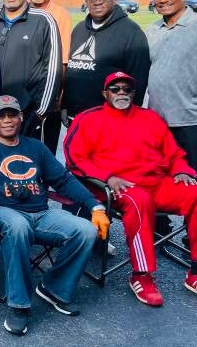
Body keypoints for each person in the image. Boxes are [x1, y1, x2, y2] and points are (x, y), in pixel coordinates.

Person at [0, 95, 107, 336]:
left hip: (41, 213)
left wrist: (95, 206)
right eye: (1, 115)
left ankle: (54, 288)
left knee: (85, 230)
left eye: (12, 114)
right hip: (3, 212)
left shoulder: (36, 147)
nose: (7, 120)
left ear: (21, 117)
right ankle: (19, 306)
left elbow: (63, 180)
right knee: (18, 227)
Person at [65, 71, 197, 307]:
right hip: (117, 187)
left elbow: (174, 153)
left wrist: (181, 169)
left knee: (194, 193)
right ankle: (141, 275)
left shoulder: (150, 118)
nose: (121, 93)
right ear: (105, 93)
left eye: (127, 89)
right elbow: (74, 159)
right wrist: (107, 177)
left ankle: (194, 272)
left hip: (156, 183)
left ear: (134, 93)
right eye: (115, 89)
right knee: (139, 201)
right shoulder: (88, 118)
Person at [0, 0, 61, 144]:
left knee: (24, 157)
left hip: (26, 111)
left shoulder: (43, 20)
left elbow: (52, 68)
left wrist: (41, 111)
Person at [63, 0, 149, 121]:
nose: (97, 2)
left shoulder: (131, 33)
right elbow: (70, 71)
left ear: (114, 0)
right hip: (76, 117)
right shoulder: (79, 29)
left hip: (109, 120)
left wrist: (128, 117)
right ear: (87, 1)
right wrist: (65, 105)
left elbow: (138, 81)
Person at [146, 0, 197, 169]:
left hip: (190, 121)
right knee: (162, 175)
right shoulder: (153, 29)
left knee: (190, 177)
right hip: (157, 121)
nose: (162, 0)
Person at [28, 0, 70, 152]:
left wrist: (57, 95)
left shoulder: (59, 14)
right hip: (23, 90)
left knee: (45, 147)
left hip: (47, 88)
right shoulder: (21, 8)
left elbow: (63, 59)